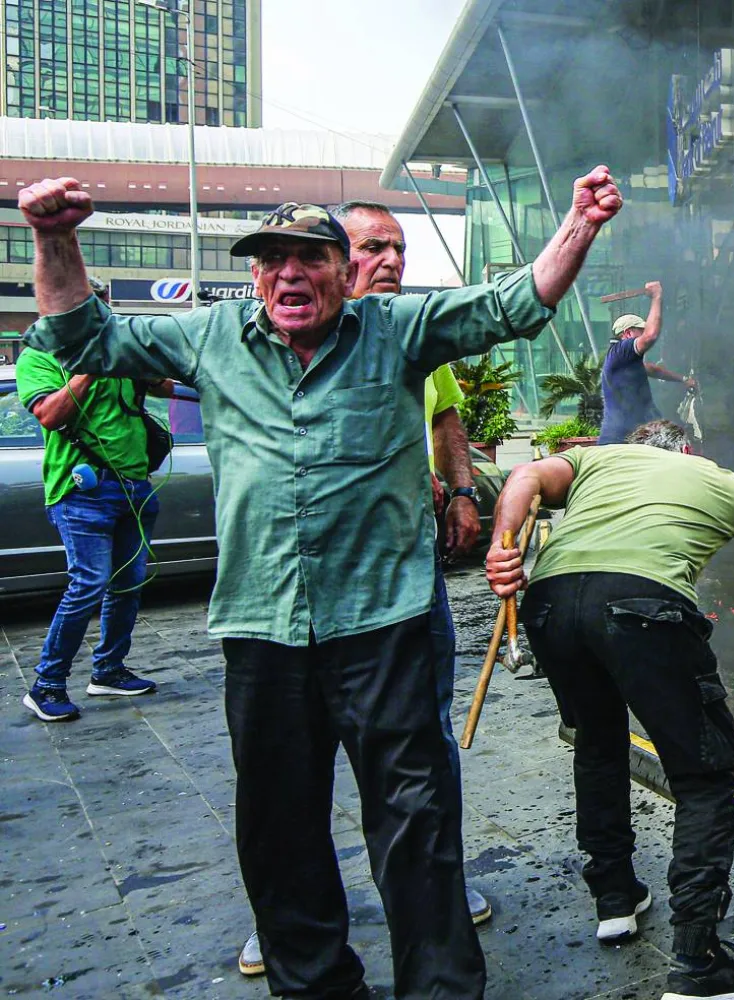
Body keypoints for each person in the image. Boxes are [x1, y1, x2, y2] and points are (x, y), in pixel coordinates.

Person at [19, 166, 620, 999]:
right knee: (279, 831)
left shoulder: (395, 330)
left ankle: (440, 989)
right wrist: (54, 236)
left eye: (307, 256)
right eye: (270, 259)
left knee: (416, 824)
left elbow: (512, 303)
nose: (288, 273)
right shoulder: (211, 337)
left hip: (386, 626)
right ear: (254, 273)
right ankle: (314, 986)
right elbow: (85, 338)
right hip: (264, 632)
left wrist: (581, 223)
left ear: (344, 271)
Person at [485, 419, 734, 1000]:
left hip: (550, 604)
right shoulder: (719, 478)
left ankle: (615, 898)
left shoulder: (598, 461)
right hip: (641, 606)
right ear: (687, 450)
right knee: (703, 775)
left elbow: (523, 476)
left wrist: (503, 546)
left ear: (634, 448)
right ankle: (698, 962)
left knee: (598, 746)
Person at [231, 201, 492, 977]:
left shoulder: (414, 332)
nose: (392, 259)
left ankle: (432, 889)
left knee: (419, 750)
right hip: (294, 599)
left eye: (399, 247)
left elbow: (445, 417)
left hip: (402, 583)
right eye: (374, 244)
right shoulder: (276, 340)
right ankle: (283, 920)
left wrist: (464, 490)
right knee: (284, 772)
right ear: (343, 260)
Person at [15, 276, 171, 722]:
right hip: (81, 490)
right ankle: (46, 684)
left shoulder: (117, 346)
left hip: (135, 485)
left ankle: (108, 669)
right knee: (89, 584)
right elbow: (47, 414)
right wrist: (90, 364)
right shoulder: (39, 355)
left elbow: (161, 384)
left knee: (129, 582)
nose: (93, 312)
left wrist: (130, 355)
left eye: (98, 304)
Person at [599, 281, 697, 445]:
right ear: (628, 333)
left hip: (637, 435)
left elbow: (651, 369)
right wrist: (657, 297)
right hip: (623, 440)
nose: (644, 334)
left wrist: (684, 379)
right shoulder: (621, 350)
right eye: (640, 331)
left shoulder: (625, 360)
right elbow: (651, 336)